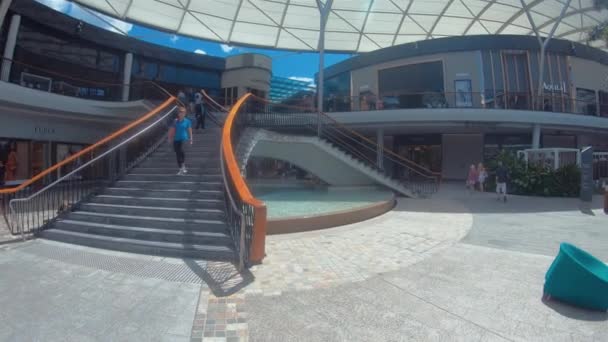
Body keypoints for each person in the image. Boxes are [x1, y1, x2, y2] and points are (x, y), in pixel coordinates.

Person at [168, 106, 193, 175]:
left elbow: (189, 130)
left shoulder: (187, 121)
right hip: (176, 139)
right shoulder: (175, 121)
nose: (181, 113)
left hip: (184, 139)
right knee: (177, 154)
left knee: (181, 151)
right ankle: (181, 168)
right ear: (178, 113)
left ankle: (183, 165)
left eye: (183, 112)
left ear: (185, 113)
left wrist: (191, 138)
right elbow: (172, 130)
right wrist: (170, 138)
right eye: (180, 112)